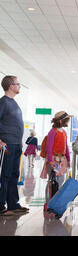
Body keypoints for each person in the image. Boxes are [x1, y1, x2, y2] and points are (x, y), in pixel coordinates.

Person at [0, 75, 29, 216]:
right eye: (18, 83)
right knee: (4, 175)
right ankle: (1, 206)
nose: (19, 86)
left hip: (16, 144)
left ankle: (13, 204)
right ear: (10, 86)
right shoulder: (3, 102)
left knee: (14, 174)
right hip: (6, 144)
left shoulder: (13, 102)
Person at [40, 111, 72, 204]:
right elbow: (49, 147)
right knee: (52, 179)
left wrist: (68, 159)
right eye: (67, 121)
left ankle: (56, 198)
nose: (68, 122)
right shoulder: (53, 132)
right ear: (61, 121)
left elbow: (65, 146)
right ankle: (49, 200)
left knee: (60, 179)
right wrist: (50, 161)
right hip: (53, 159)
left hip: (62, 160)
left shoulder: (64, 132)